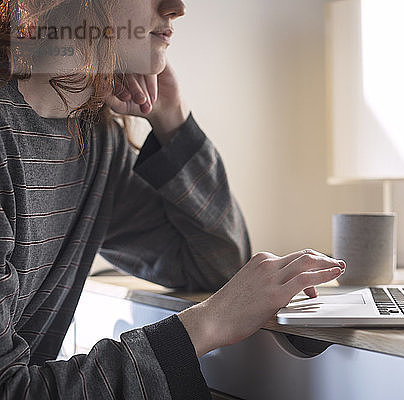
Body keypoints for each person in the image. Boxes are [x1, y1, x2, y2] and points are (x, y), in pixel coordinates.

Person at [0, 0, 346, 398]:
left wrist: (172, 121)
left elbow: (217, 264)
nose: (177, 7)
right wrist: (207, 325)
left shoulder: (96, 142)